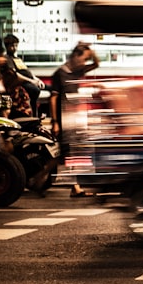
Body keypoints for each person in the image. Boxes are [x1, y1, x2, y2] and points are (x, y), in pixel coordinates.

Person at [49, 42, 100, 197]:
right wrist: (55, 121)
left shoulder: (77, 71)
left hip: (76, 117)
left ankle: (38, 179)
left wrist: (90, 50)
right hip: (64, 118)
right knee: (68, 153)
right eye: (83, 59)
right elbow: (53, 98)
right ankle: (75, 187)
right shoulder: (60, 73)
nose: (84, 63)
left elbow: (97, 63)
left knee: (72, 152)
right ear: (75, 56)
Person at [3, 34, 44, 116]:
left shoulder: (18, 59)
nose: (14, 48)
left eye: (16, 45)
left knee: (51, 87)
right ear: (7, 47)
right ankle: (35, 115)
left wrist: (37, 79)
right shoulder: (7, 58)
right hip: (22, 82)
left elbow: (27, 71)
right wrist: (32, 81)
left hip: (30, 80)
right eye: (12, 46)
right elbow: (16, 75)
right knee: (35, 90)